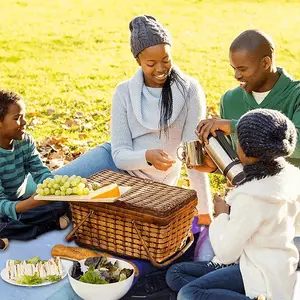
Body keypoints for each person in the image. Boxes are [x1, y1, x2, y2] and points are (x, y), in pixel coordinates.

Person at [53, 15, 214, 225]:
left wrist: (205, 211)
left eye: (166, 60)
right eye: (151, 63)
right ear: (138, 61)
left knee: (79, 209)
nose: (160, 69)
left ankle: (62, 215)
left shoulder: (190, 90)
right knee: (49, 187)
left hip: (148, 186)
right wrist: (147, 156)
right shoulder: (124, 92)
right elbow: (119, 155)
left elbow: (194, 157)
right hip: (112, 163)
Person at [166, 108, 300, 300]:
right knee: (175, 274)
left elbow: (226, 252)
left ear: (244, 150)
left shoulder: (251, 197)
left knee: (188, 293)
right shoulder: (291, 177)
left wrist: (222, 215)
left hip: (259, 275)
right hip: (274, 266)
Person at [196, 29, 300, 168]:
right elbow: (237, 160)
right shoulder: (230, 100)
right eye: (234, 68)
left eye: (242, 69)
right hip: (248, 188)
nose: (236, 75)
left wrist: (235, 126)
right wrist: (214, 166)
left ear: (265, 63)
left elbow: (297, 144)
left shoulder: (296, 95)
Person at [0, 90, 70, 242]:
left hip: (21, 202)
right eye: (17, 118)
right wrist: (28, 204)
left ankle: (12, 233)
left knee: (64, 203)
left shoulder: (25, 141)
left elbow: (39, 171)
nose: (24, 122)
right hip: (4, 207)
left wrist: (53, 189)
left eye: (24, 116)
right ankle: (45, 226)